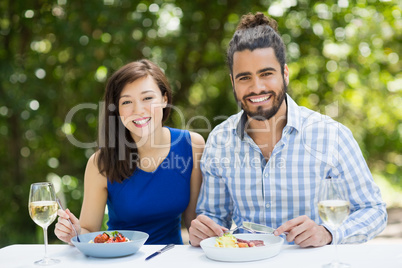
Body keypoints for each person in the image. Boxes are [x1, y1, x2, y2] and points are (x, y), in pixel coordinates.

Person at [189, 12, 387, 247]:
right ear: (233, 82)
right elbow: (213, 216)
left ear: (285, 74)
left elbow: (373, 210)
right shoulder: (220, 139)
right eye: (245, 78)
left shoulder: (331, 136)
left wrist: (328, 233)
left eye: (266, 74)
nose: (257, 87)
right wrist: (204, 230)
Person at [55, 59, 204, 245]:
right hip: (120, 259)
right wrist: (74, 232)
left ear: (164, 99)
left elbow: (194, 224)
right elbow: (89, 231)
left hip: (170, 259)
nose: (138, 110)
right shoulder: (100, 163)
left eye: (148, 98)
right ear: (117, 109)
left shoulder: (192, 145)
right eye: (127, 102)